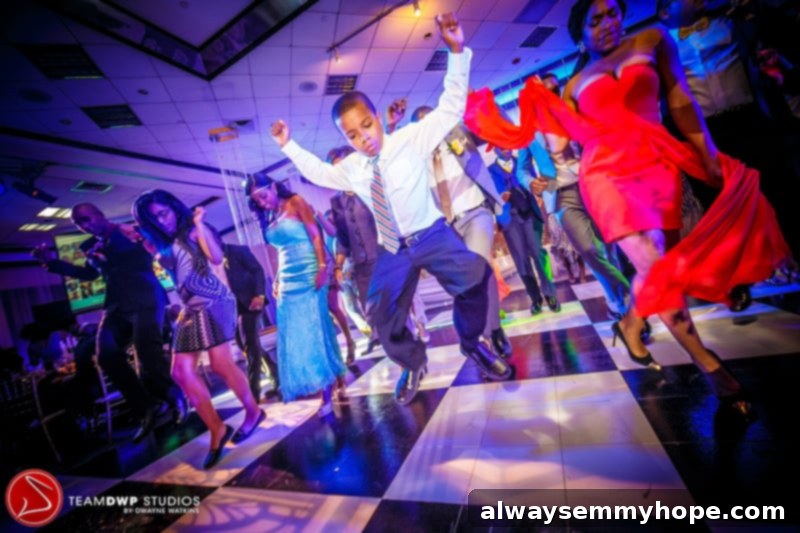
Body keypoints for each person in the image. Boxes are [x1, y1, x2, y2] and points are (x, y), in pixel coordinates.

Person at [464, 0, 792, 420]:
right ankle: (709, 366)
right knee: (653, 262)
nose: (608, 23)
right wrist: (543, 107)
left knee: (661, 266)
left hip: (657, 169)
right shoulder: (574, 83)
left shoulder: (653, 41)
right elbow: (561, 148)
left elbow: (681, 101)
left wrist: (706, 153)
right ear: (580, 32)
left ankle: (631, 322)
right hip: (604, 177)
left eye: (614, 12)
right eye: (595, 19)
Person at [269, 12, 511, 406]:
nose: (364, 138)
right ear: (345, 138)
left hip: (431, 234)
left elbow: (450, 108)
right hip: (393, 248)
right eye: (352, 134)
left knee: (475, 278)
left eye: (367, 125)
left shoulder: (409, 140)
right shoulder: (351, 168)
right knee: (378, 312)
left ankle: (473, 343)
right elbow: (317, 171)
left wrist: (455, 51)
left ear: (377, 118)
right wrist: (287, 146)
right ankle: (412, 362)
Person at [32, 203, 186, 442]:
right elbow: (89, 274)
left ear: (100, 214)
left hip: (145, 296)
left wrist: (115, 253)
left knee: (147, 353)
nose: (85, 225)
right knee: (106, 356)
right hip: (115, 304)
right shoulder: (89, 245)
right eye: (79, 223)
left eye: (87, 219)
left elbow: (147, 254)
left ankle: (174, 396)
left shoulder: (129, 231)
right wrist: (50, 263)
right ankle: (146, 408)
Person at [134, 190, 264, 469]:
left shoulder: (193, 230)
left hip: (216, 301)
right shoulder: (160, 242)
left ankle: (253, 412)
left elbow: (217, 258)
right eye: (153, 218)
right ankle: (216, 428)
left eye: (163, 213)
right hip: (189, 308)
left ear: (174, 207)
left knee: (220, 364)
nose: (161, 220)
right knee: (180, 372)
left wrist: (201, 224)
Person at [389, 102, 512, 357]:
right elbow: (387, 158)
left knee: (479, 267)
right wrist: (391, 125)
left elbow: (496, 128)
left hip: (476, 211)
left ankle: (490, 334)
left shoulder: (458, 134)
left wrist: (483, 102)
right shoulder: (415, 157)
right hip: (445, 226)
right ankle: (486, 330)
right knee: (466, 280)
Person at [246, 175, 347, 416]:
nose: (261, 202)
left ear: (272, 186)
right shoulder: (269, 216)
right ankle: (333, 374)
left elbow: (315, 235)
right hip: (288, 277)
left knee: (314, 327)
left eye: (262, 195)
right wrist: (279, 277)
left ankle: (326, 392)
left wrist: (324, 267)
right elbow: (282, 250)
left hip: (310, 270)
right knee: (294, 333)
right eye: (255, 200)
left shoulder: (296, 201)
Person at [488, 147, 561, 315]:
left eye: (507, 144)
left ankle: (550, 294)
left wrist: (540, 195)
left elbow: (536, 183)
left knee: (538, 253)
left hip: (529, 213)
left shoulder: (523, 162)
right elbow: (489, 198)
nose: (505, 149)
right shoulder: (490, 171)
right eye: (501, 146)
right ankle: (535, 298)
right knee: (521, 260)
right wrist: (499, 200)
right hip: (509, 219)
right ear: (494, 148)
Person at [328, 146, 382, 357]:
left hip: (383, 254)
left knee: (394, 301)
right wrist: (339, 265)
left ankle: (409, 339)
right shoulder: (336, 201)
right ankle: (376, 337)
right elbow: (342, 236)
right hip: (360, 261)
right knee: (368, 304)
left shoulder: (370, 187)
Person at [224, 243, 280, 402]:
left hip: (251, 300)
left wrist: (260, 295)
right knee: (244, 346)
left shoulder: (237, 250)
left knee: (251, 344)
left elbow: (257, 270)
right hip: (230, 306)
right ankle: (276, 376)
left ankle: (253, 392)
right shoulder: (205, 260)